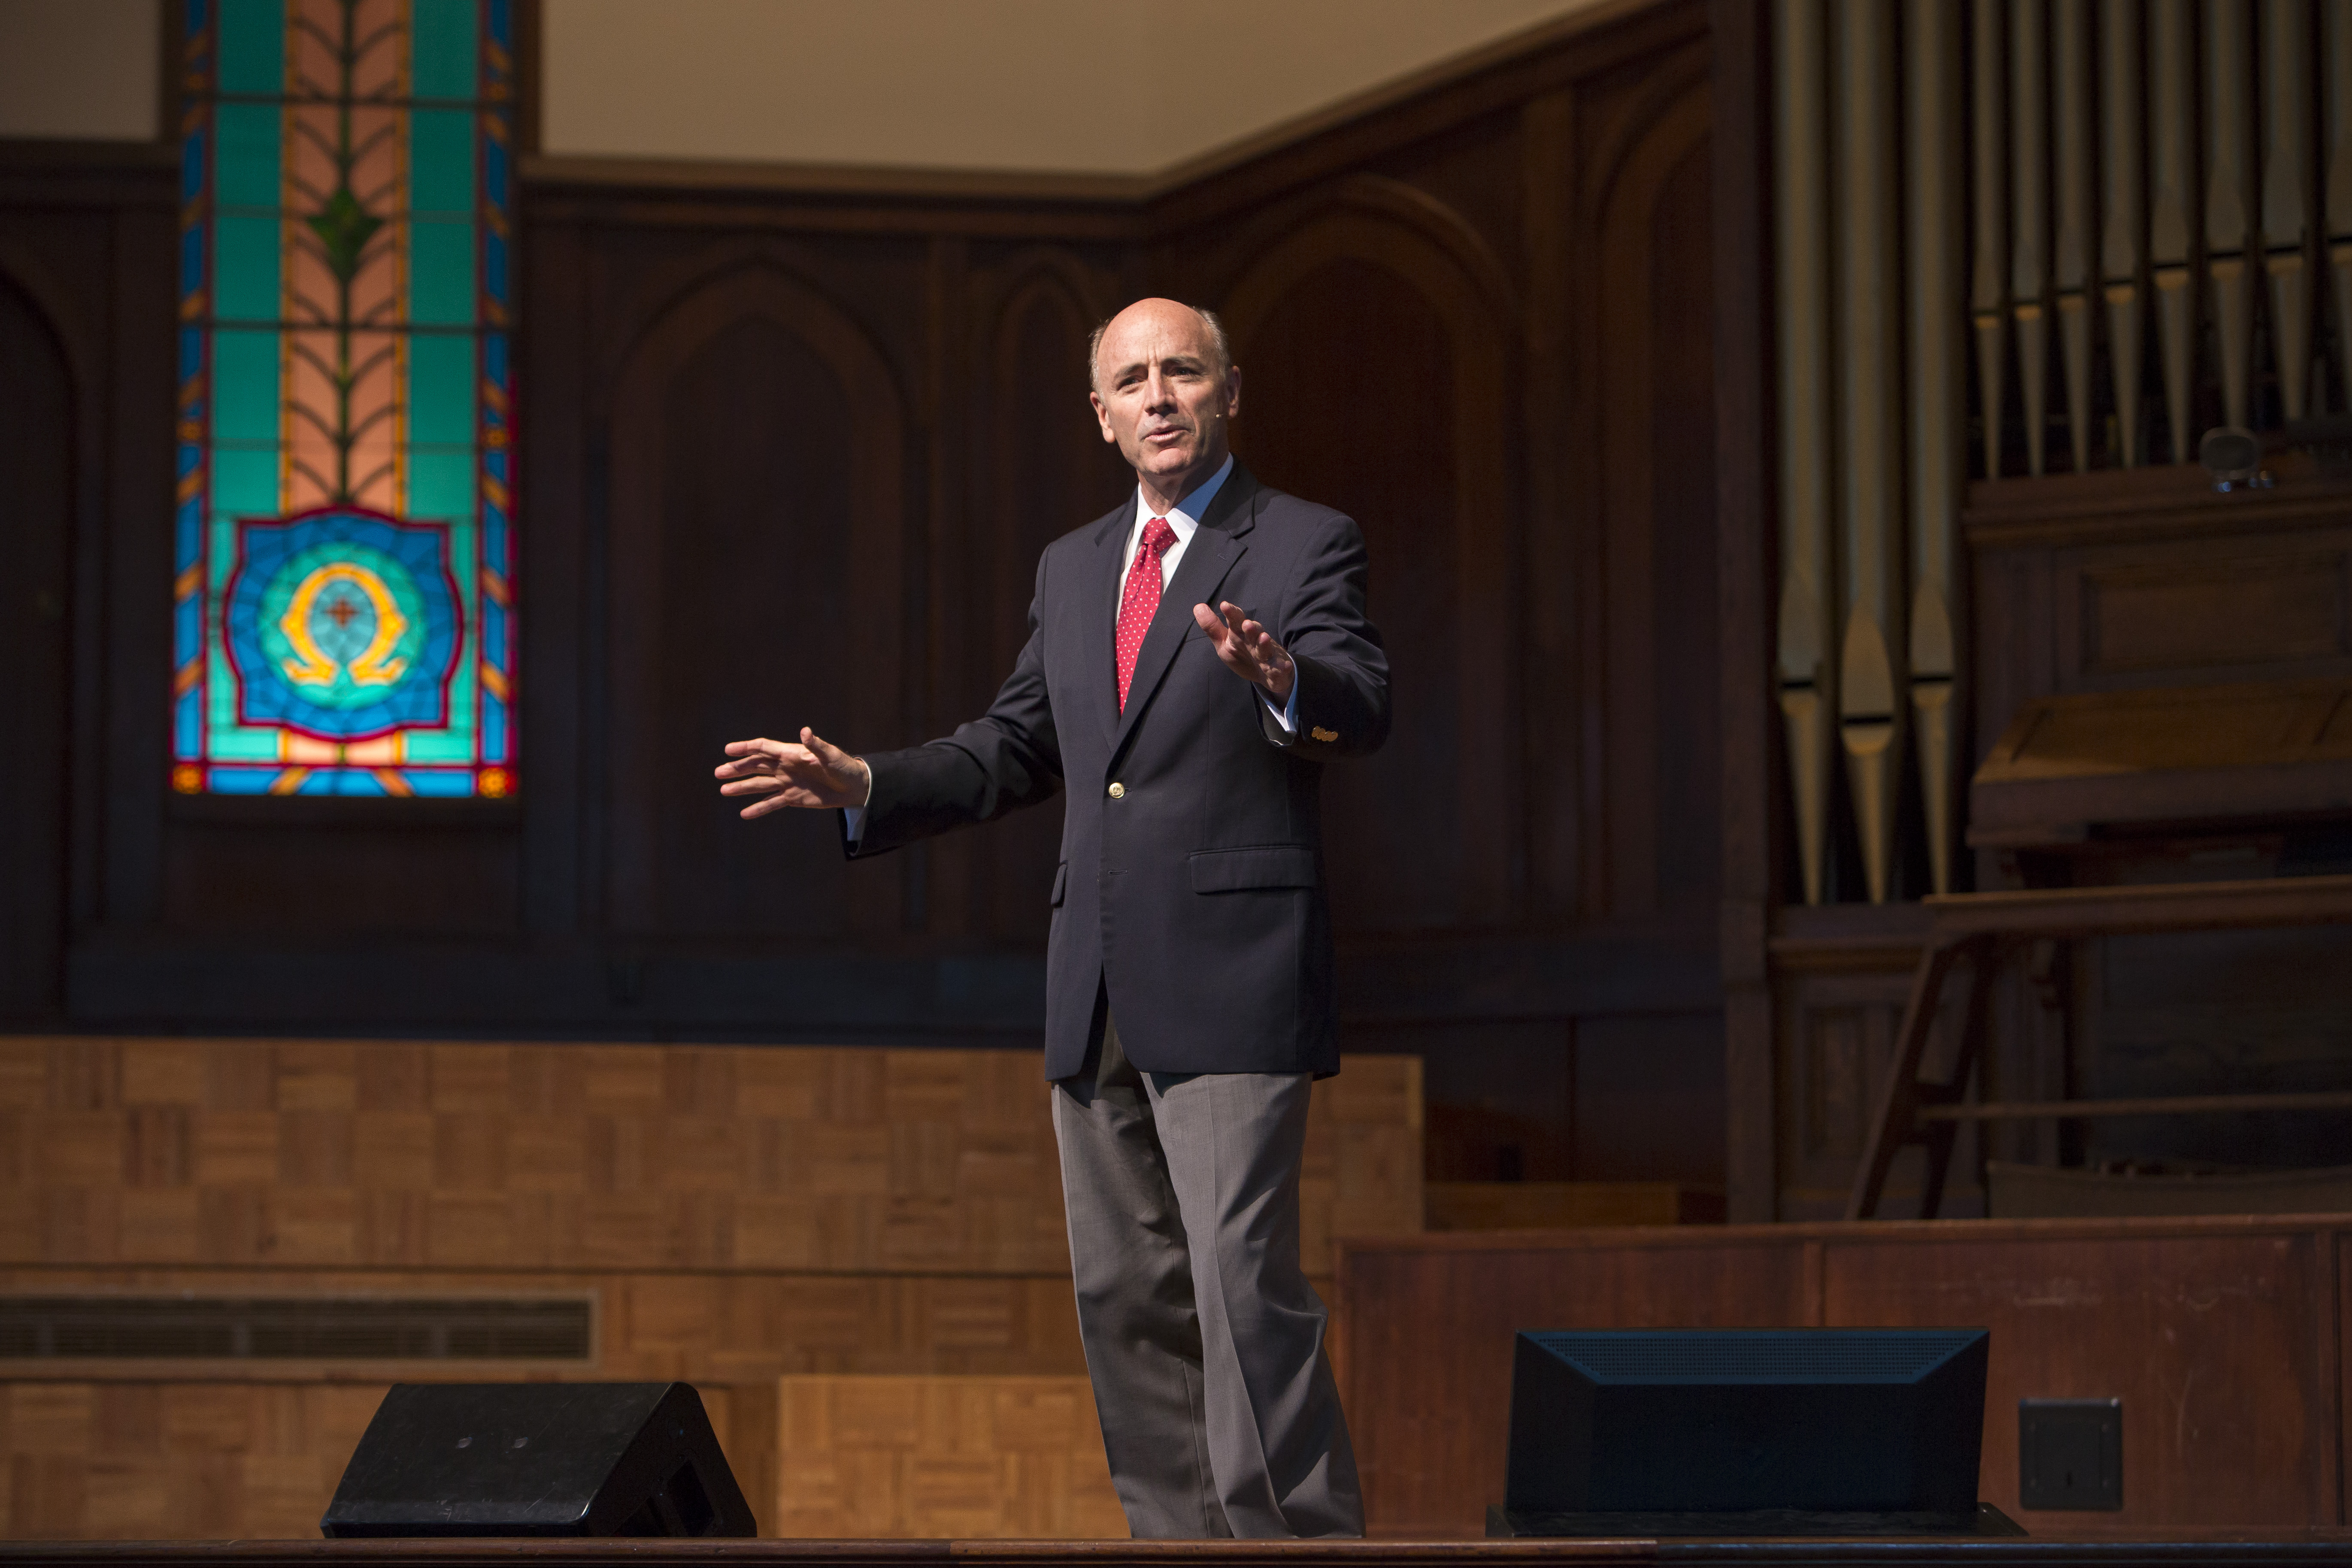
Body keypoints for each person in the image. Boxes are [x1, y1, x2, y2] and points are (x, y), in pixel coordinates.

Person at [713, 297, 1389, 1539]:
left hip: (1237, 972)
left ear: (1231, 391)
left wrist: (1287, 679)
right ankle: (1174, 1547)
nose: (1161, 397)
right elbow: (1018, 745)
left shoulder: (1299, 542)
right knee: (1126, 1293)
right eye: (1134, 381)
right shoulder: (1075, 567)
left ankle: (1300, 1551)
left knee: (1243, 1286)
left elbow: (1364, 699)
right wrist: (866, 782)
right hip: (1097, 980)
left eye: (1184, 371)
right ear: (1102, 416)